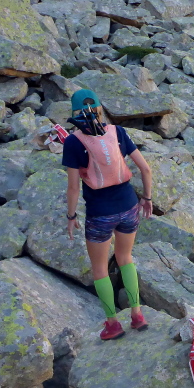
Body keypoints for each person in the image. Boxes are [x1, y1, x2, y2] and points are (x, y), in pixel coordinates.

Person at [62, 89, 153, 341]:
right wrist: (147, 198)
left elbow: (73, 187)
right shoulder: (117, 132)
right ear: (100, 108)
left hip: (100, 213)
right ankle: (137, 315)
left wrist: (71, 216)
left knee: (100, 268)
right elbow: (145, 169)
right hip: (129, 206)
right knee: (125, 258)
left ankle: (112, 324)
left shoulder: (73, 142)